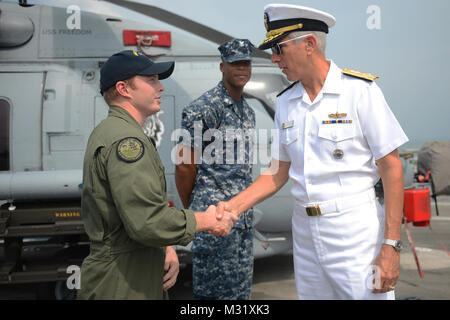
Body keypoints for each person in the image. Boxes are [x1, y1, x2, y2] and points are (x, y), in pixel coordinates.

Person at [215, 4, 408, 300]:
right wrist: (233, 207)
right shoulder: (286, 102)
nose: (274, 58)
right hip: (304, 234)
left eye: (279, 48)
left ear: (309, 44)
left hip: (354, 230)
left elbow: (391, 167)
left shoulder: (360, 92)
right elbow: (277, 173)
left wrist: (391, 245)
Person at [77, 50, 237, 300]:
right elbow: (147, 221)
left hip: (130, 272)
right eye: (151, 80)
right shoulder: (126, 141)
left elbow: (131, 213)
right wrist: (206, 221)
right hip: (123, 284)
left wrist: (165, 246)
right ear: (124, 88)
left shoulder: (113, 131)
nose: (160, 87)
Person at [175, 39, 255, 300]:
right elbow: (185, 165)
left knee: (240, 294)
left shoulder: (247, 111)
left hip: (240, 219)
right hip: (214, 220)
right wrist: (194, 209)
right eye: (235, 63)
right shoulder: (205, 108)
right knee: (213, 296)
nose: (241, 69)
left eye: (246, 63)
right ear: (223, 66)